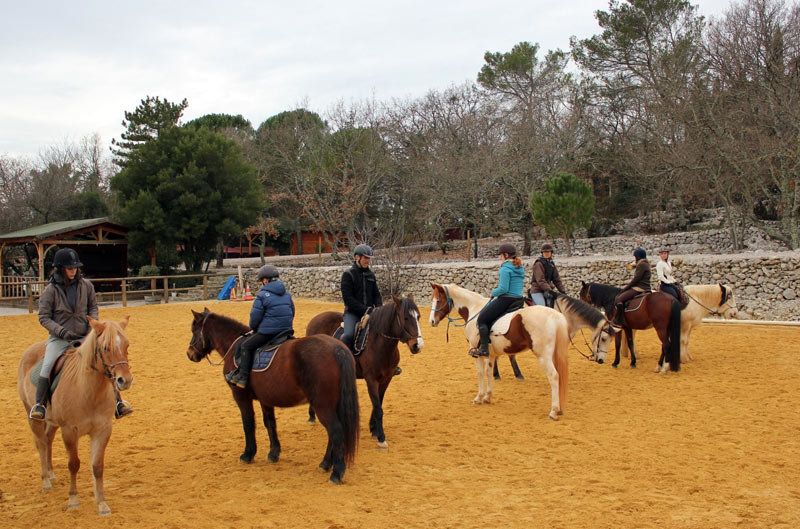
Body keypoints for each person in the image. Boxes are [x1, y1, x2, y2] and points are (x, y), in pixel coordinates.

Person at [30, 248, 133, 421]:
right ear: (60, 268)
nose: (73, 270)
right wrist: (61, 331)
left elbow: (93, 306)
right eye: (69, 268)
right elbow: (44, 317)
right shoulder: (50, 291)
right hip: (60, 338)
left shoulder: (86, 286)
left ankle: (118, 403)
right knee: (47, 365)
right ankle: (40, 404)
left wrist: (93, 326)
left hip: (85, 335)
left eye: (75, 267)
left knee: (107, 362)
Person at [226, 265, 295, 388]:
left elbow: (255, 317)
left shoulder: (262, 295)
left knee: (246, 346)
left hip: (268, 333)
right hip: (286, 331)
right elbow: (292, 311)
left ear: (265, 280)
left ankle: (243, 377)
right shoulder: (287, 294)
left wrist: (255, 329)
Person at [475, 243, 525, 357]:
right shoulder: (519, 267)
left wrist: (493, 293)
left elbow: (503, 289)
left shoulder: (505, 269)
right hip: (519, 299)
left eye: (501, 255)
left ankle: (484, 349)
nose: (500, 258)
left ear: (506, 255)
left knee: (482, 319)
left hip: (507, 299)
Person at [340, 244, 383, 355]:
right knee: (348, 335)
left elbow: (376, 295)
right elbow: (348, 299)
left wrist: (379, 308)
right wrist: (366, 309)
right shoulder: (348, 275)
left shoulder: (371, 275)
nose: (368, 261)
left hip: (370, 313)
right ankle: (343, 360)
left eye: (369, 258)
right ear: (357, 257)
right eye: (365, 258)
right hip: (352, 314)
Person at [612, 247, 652, 326]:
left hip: (640, 288)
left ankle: (620, 320)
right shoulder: (645, 264)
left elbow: (636, 279)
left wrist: (626, 288)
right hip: (645, 287)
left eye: (635, 257)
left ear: (638, 257)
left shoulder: (641, 265)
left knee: (619, 299)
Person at [529, 242, 566, 307]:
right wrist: (549, 290)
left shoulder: (551, 264)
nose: (546, 254)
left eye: (548, 252)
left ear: (551, 253)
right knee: (543, 307)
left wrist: (563, 291)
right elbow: (540, 280)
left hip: (547, 290)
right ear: (542, 253)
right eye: (544, 252)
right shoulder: (538, 264)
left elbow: (556, 279)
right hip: (537, 291)